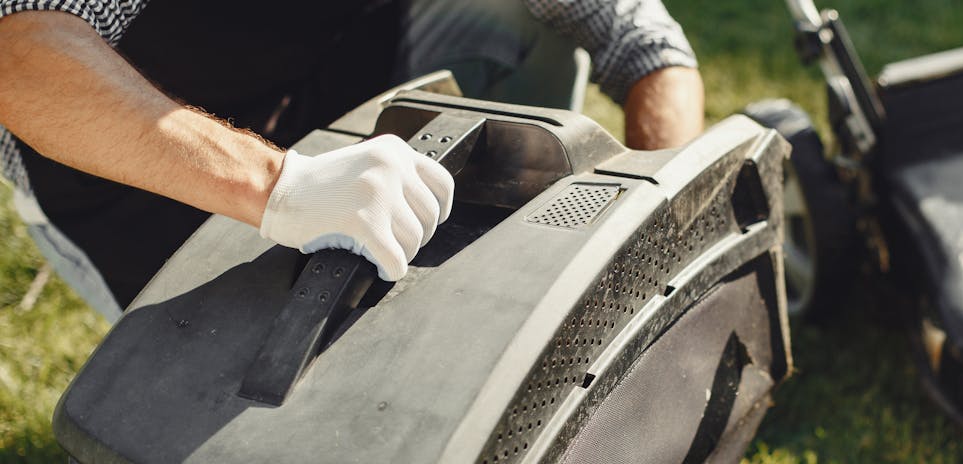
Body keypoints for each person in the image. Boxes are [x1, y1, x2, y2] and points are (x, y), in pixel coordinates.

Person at [0, 0, 704, 320]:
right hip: (126, 175)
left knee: (516, 15)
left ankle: (505, 261)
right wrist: (282, 186)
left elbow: (640, 41)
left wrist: (651, 225)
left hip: (315, 87)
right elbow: (20, 52)